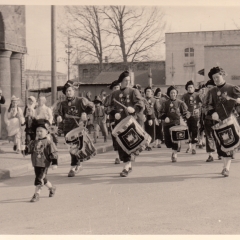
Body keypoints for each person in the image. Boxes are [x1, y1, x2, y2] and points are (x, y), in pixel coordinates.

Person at [108, 71, 144, 177]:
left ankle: (126, 166)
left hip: (130, 123)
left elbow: (141, 103)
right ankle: (127, 165)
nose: (127, 82)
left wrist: (134, 109)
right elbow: (108, 106)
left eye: (129, 80)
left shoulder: (134, 91)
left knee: (128, 144)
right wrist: (114, 113)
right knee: (120, 145)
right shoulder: (114, 94)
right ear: (121, 81)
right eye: (125, 80)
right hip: (119, 123)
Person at [205, 67, 240, 177]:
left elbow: (238, 104)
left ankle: (226, 168)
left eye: (217, 76)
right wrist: (212, 113)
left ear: (223, 75)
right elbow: (207, 105)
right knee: (222, 146)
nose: (215, 79)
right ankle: (225, 166)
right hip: (218, 122)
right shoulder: (211, 91)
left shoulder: (232, 88)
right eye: (213, 78)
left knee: (229, 143)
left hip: (231, 121)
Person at [57, 80, 95, 177]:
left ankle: (73, 167)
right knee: (71, 148)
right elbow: (58, 113)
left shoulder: (81, 100)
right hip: (67, 128)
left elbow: (92, 107)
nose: (68, 93)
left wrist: (85, 113)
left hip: (78, 128)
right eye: (67, 91)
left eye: (70, 90)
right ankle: (78, 164)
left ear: (74, 91)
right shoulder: (62, 103)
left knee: (76, 147)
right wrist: (58, 117)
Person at [22, 119, 58, 202]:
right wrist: (24, 150)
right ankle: (52, 188)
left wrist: (54, 162)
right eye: (37, 131)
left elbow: (53, 152)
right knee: (43, 179)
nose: (38, 133)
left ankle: (36, 195)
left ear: (47, 132)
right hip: (36, 164)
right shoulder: (34, 142)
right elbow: (29, 150)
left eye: (41, 131)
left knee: (39, 179)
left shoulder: (48, 142)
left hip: (44, 164)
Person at [160, 86, 189, 162]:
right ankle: (175, 147)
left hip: (176, 125)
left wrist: (186, 117)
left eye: (174, 93)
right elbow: (161, 113)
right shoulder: (165, 103)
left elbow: (185, 112)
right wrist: (164, 117)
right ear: (169, 94)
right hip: (167, 124)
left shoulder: (180, 103)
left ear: (176, 94)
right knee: (168, 142)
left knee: (175, 140)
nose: (173, 94)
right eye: (171, 93)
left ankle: (174, 154)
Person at [181, 80, 202, 154]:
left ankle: (194, 148)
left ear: (194, 88)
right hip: (187, 116)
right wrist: (184, 113)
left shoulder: (197, 95)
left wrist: (198, 109)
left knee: (194, 131)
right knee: (187, 131)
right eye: (188, 87)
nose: (190, 89)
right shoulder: (184, 96)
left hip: (195, 116)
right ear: (187, 88)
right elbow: (181, 106)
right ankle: (189, 147)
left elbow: (201, 103)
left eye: (191, 87)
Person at [104, 80, 121, 164]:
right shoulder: (109, 97)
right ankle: (117, 156)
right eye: (115, 88)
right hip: (113, 120)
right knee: (115, 138)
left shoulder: (123, 96)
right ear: (112, 89)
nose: (116, 89)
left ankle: (128, 154)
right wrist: (112, 112)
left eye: (118, 87)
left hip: (124, 119)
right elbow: (105, 109)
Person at [201, 79, 216, 162]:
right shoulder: (205, 96)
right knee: (209, 136)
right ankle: (210, 154)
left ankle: (221, 152)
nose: (209, 89)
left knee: (218, 136)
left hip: (217, 119)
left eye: (210, 87)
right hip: (208, 118)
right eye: (208, 87)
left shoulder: (218, 95)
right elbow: (203, 107)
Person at [144, 86, 157, 151]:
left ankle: (150, 144)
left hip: (152, 117)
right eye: (146, 91)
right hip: (145, 118)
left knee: (152, 131)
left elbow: (157, 109)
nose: (148, 93)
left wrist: (158, 118)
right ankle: (146, 144)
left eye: (149, 91)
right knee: (145, 131)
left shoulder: (154, 100)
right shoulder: (143, 100)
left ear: (152, 93)